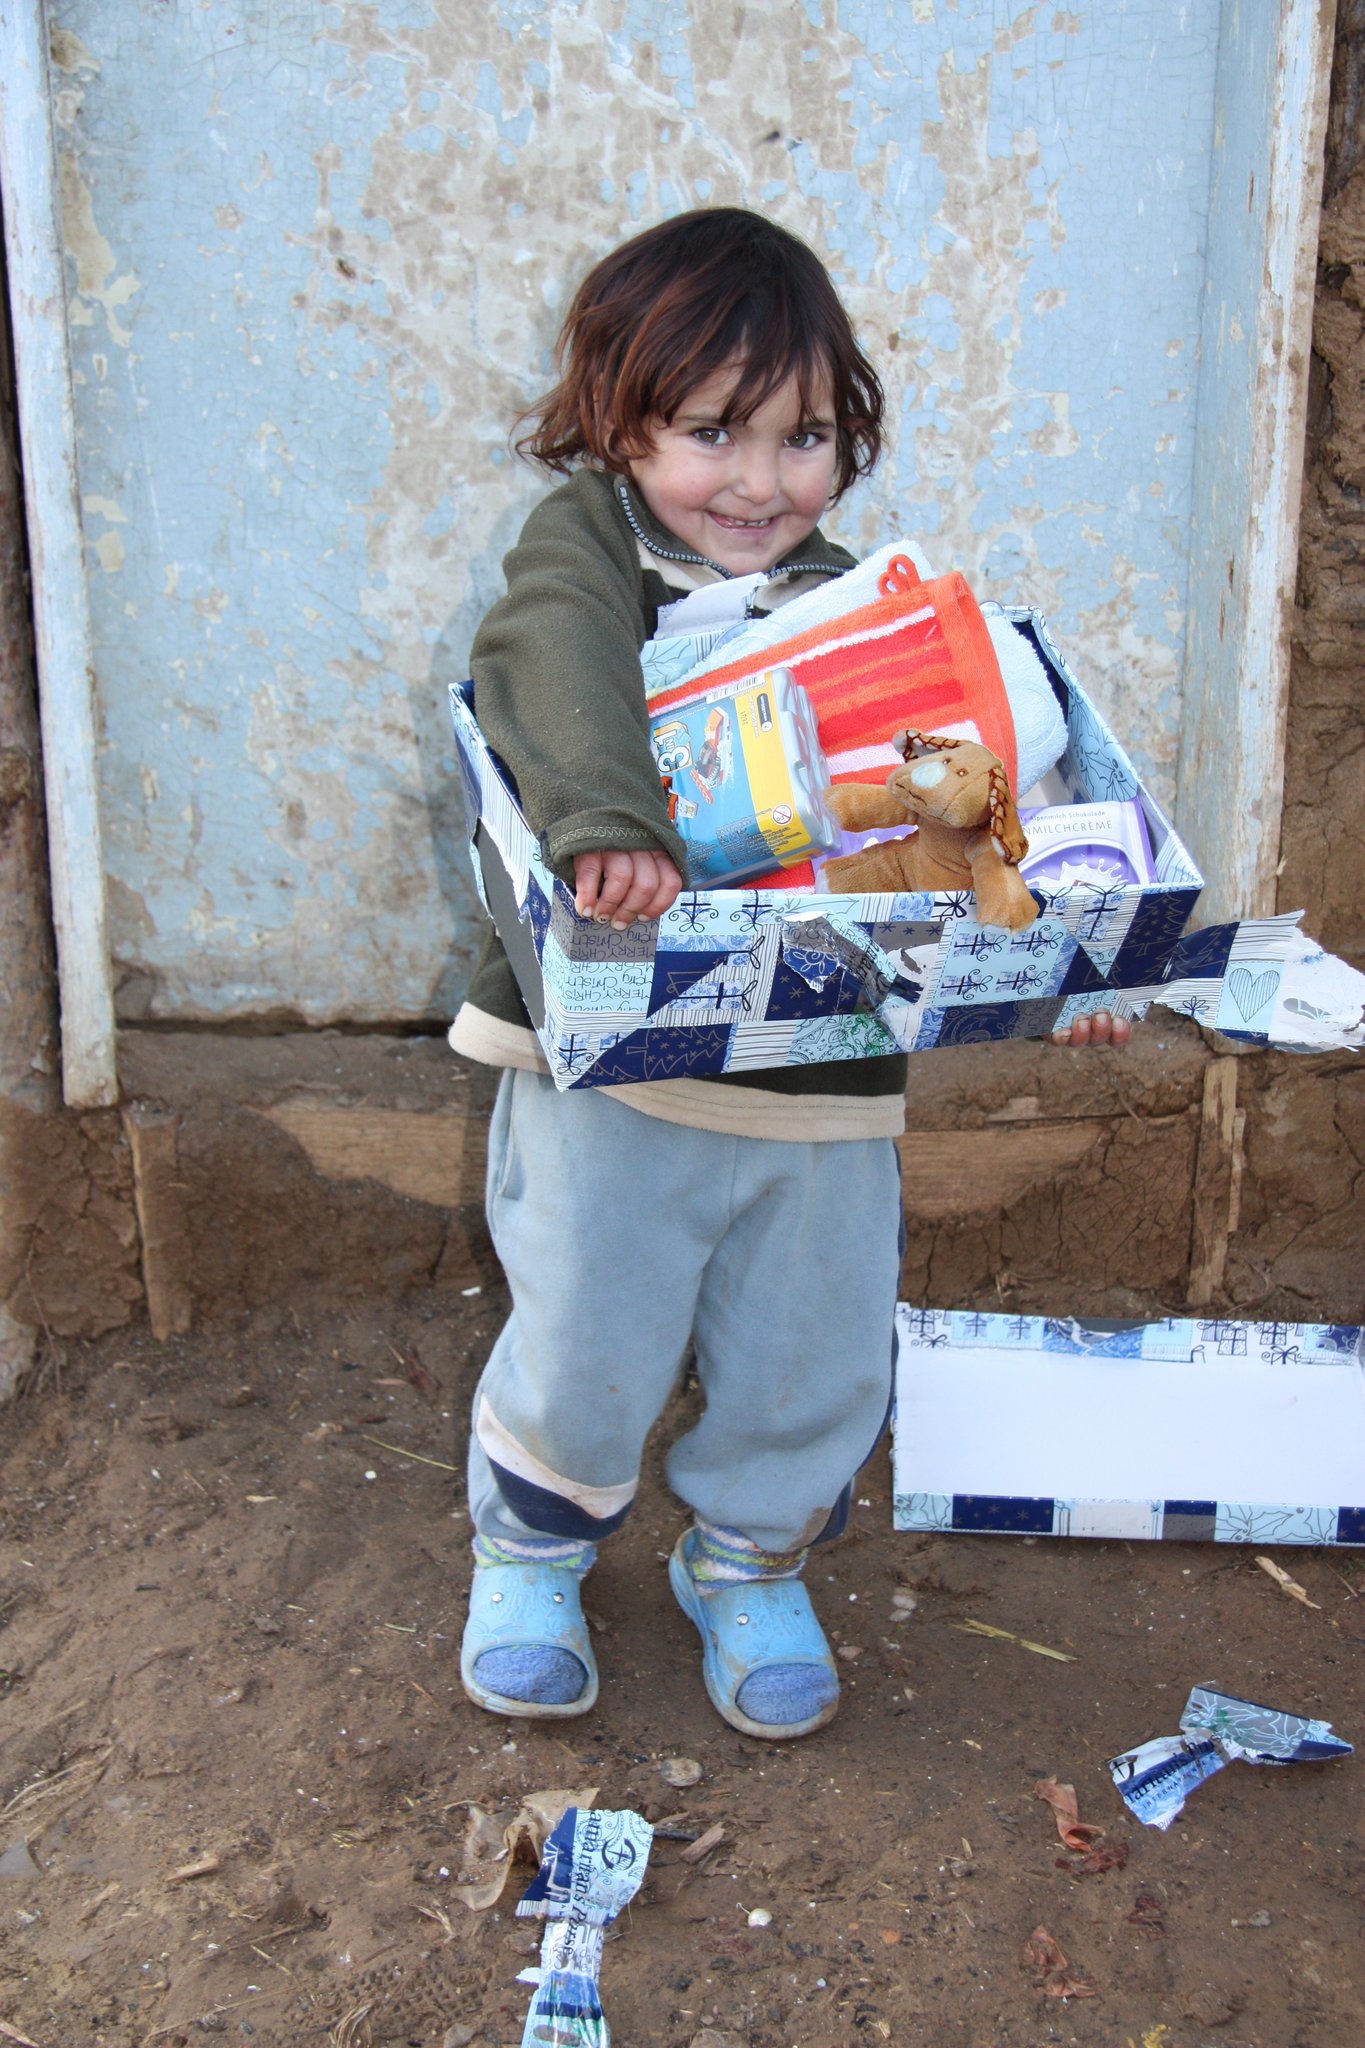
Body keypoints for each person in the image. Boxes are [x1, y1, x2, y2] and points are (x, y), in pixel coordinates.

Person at [448, 207, 1127, 1740]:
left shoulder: (857, 607)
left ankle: (747, 1558)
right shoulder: (591, 547)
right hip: (621, 1054)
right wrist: (610, 824)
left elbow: (966, 798)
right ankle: (533, 1546)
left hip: (824, 1074)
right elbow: (547, 661)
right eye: (709, 433)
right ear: (618, 424)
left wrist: (1072, 949)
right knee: (587, 1328)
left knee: (812, 1348)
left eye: (803, 437)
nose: (758, 484)